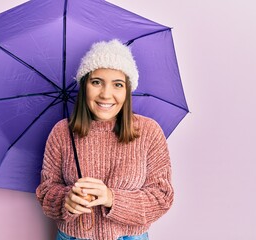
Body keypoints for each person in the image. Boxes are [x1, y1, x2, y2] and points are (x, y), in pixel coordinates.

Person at [36, 39, 174, 240]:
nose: (106, 94)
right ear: (84, 86)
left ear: (127, 90)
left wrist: (111, 197)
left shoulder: (149, 131)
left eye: (117, 84)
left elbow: (162, 197)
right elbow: (46, 192)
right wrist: (66, 200)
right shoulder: (62, 132)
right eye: (96, 82)